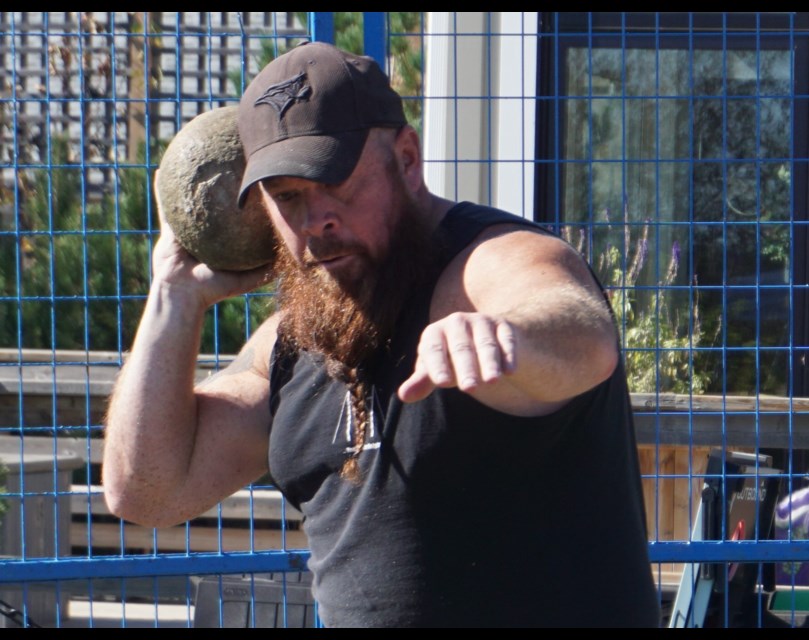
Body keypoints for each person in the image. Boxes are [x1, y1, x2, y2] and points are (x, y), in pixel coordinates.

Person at [103, 41, 660, 628]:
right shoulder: (293, 344)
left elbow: (582, 333)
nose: (316, 220)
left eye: (335, 181)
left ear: (408, 157)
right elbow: (148, 492)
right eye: (287, 198)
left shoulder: (481, 266)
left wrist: (506, 335)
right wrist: (174, 292)